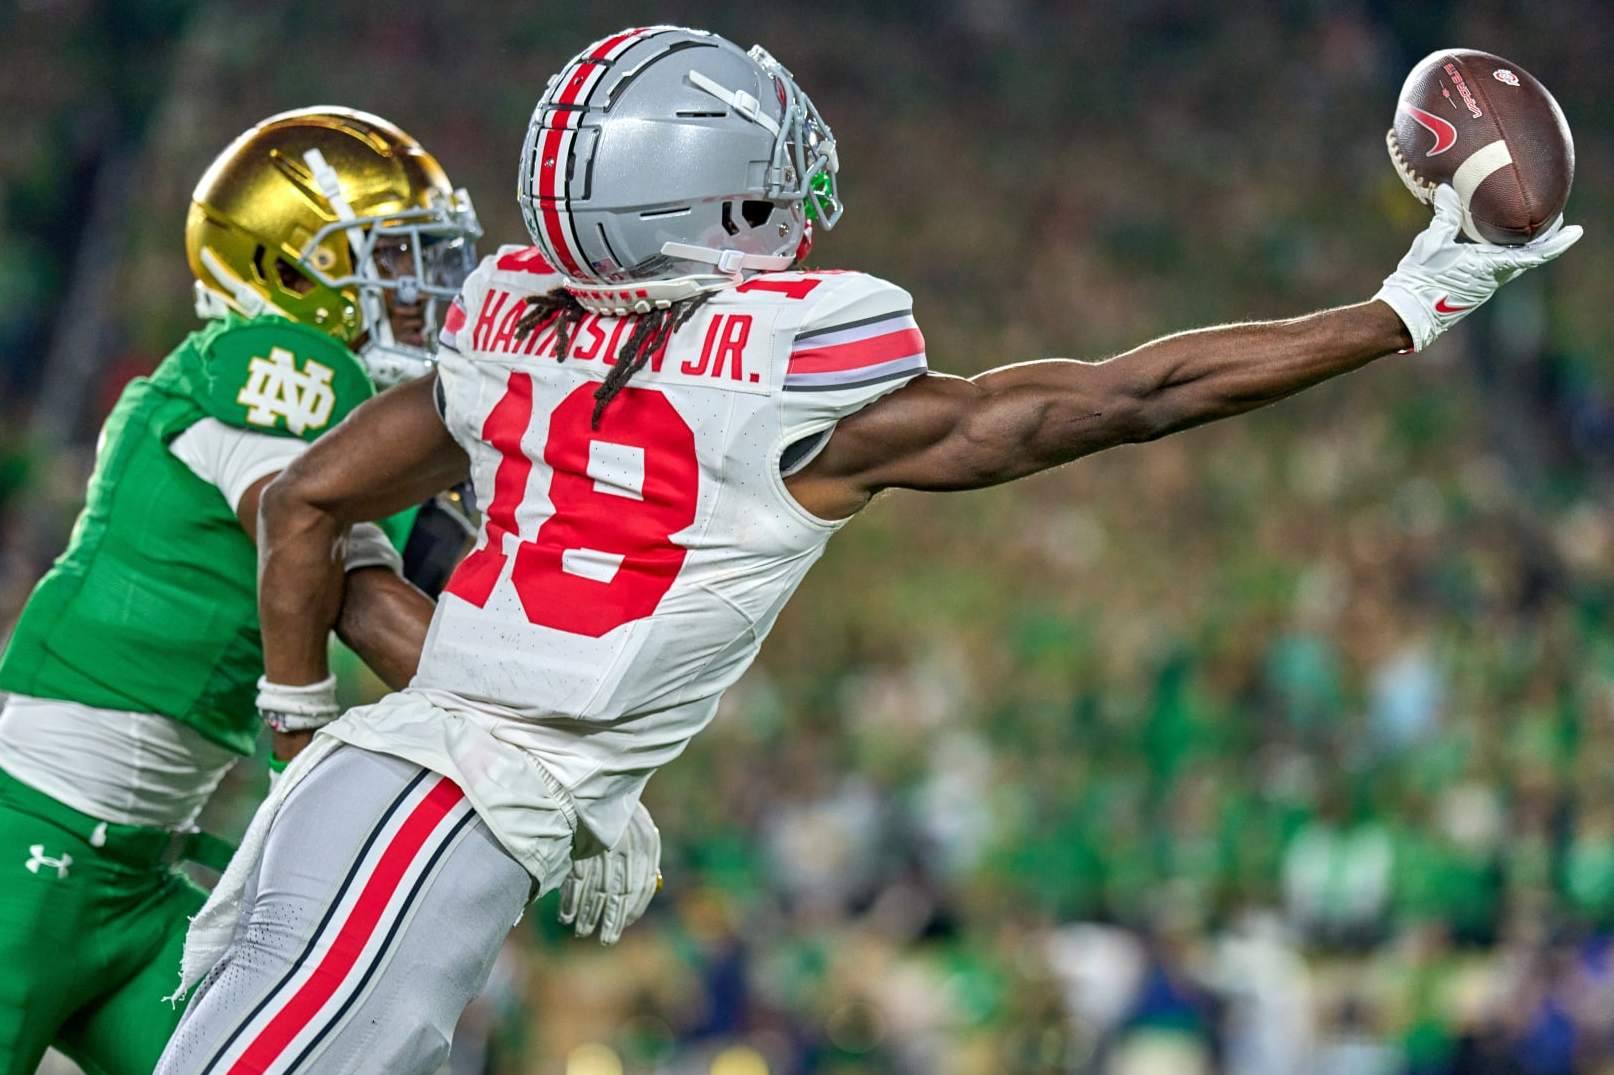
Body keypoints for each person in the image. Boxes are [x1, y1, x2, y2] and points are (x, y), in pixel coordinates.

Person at [155, 27, 1581, 1075]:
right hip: (416, 834)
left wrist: (384, 738)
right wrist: (1401, 308)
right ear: (690, 202)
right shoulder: (780, 386)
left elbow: (311, 507)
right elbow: (1123, 396)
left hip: (402, 803)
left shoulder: (502, 323)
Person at [0, 107, 486, 1075]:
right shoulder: (264, 366)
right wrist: (530, 743)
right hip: (30, 835)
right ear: (292, 273)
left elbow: (469, 600)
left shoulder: (348, 414)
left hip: (134, 875)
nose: (421, 294)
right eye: (390, 263)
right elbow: (339, 577)